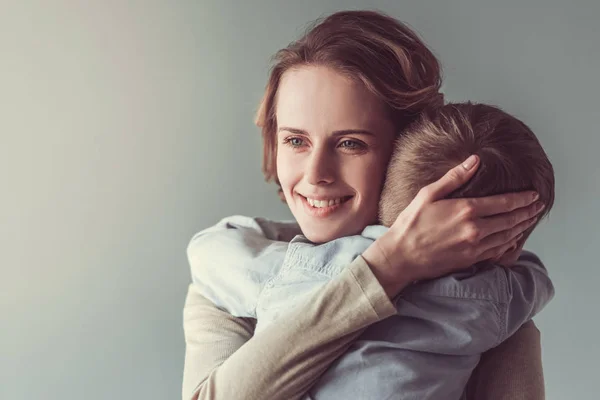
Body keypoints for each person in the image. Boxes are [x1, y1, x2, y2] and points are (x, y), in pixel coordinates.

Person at [182, 10, 549, 400]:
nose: (316, 173)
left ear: (406, 146)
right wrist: (389, 268)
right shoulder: (235, 277)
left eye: (350, 143)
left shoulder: (483, 296)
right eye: (295, 141)